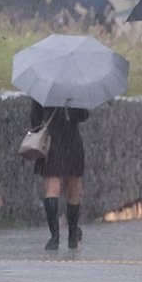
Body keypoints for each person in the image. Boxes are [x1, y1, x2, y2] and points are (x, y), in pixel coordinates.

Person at [30, 100, 89, 250]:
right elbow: (83, 115)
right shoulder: (75, 88)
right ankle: (72, 235)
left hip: (51, 140)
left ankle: (54, 237)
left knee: (52, 188)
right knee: (73, 188)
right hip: (72, 140)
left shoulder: (45, 85)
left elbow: (35, 116)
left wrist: (39, 128)